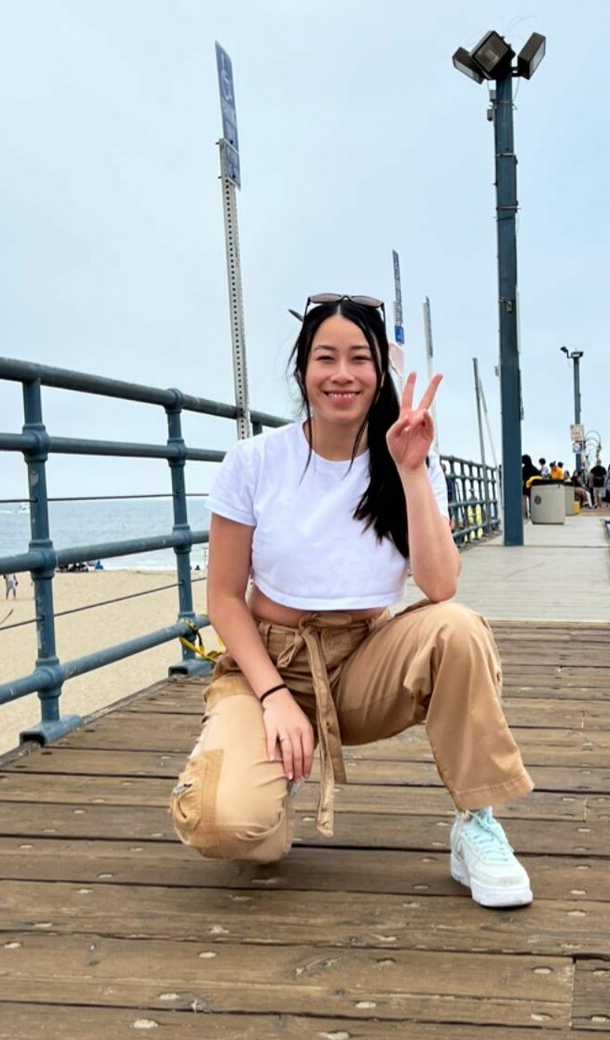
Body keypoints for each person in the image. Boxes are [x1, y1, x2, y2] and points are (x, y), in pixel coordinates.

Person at [172, 293, 534, 908]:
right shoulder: (254, 462)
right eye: (326, 357)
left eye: (359, 358)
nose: (342, 374)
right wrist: (275, 697)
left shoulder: (408, 460)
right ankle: (271, 784)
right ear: (302, 370)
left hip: (365, 661)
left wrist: (412, 471)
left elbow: (439, 586)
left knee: (458, 628)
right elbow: (225, 598)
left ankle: (477, 822)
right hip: (270, 663)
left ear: (380, 372)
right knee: (223, 823)